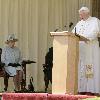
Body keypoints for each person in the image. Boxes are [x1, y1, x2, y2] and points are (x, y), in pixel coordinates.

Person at [72, 7, 100, 95]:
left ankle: (92, 90)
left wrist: (85, 37)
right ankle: (82, 88)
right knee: (81, 68)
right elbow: (73, 33)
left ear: (86, 13)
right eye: (80, 14)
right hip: (81, 50)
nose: (80, 16)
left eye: (81, 14)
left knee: (90, 67)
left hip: (90, 49)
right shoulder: (79, 23)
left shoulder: (95, 20)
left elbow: (95, 32)